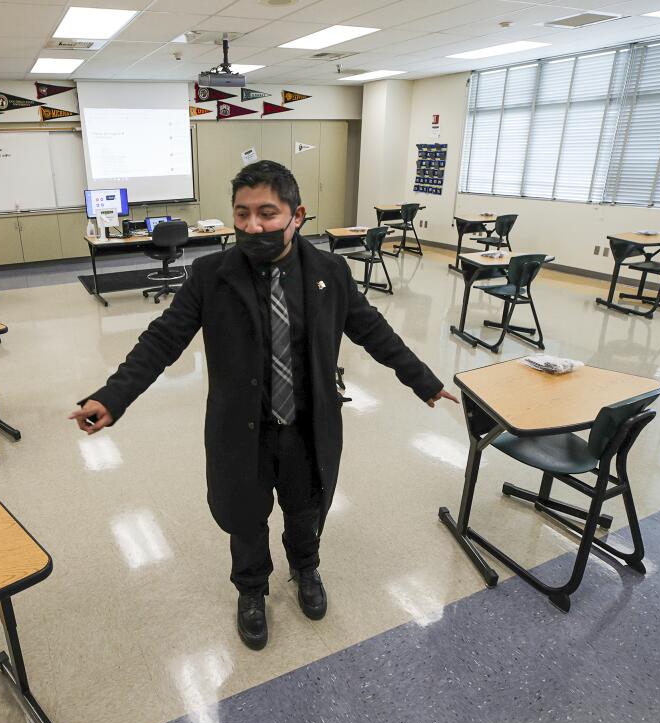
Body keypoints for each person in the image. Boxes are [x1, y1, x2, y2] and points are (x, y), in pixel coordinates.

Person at [70, 161, 456, 650]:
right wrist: (113, 395)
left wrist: (421, 379)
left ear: (298, 215)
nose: (253, 226)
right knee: (246, 517)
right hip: (241, 429)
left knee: (305, 508)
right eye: (242, 214)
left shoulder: (328, 272)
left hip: (306, 425)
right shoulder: (212, 274)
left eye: (267, 214)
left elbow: (371, 329)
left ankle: (306, 569)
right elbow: (163, 339)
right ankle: (251, 590)